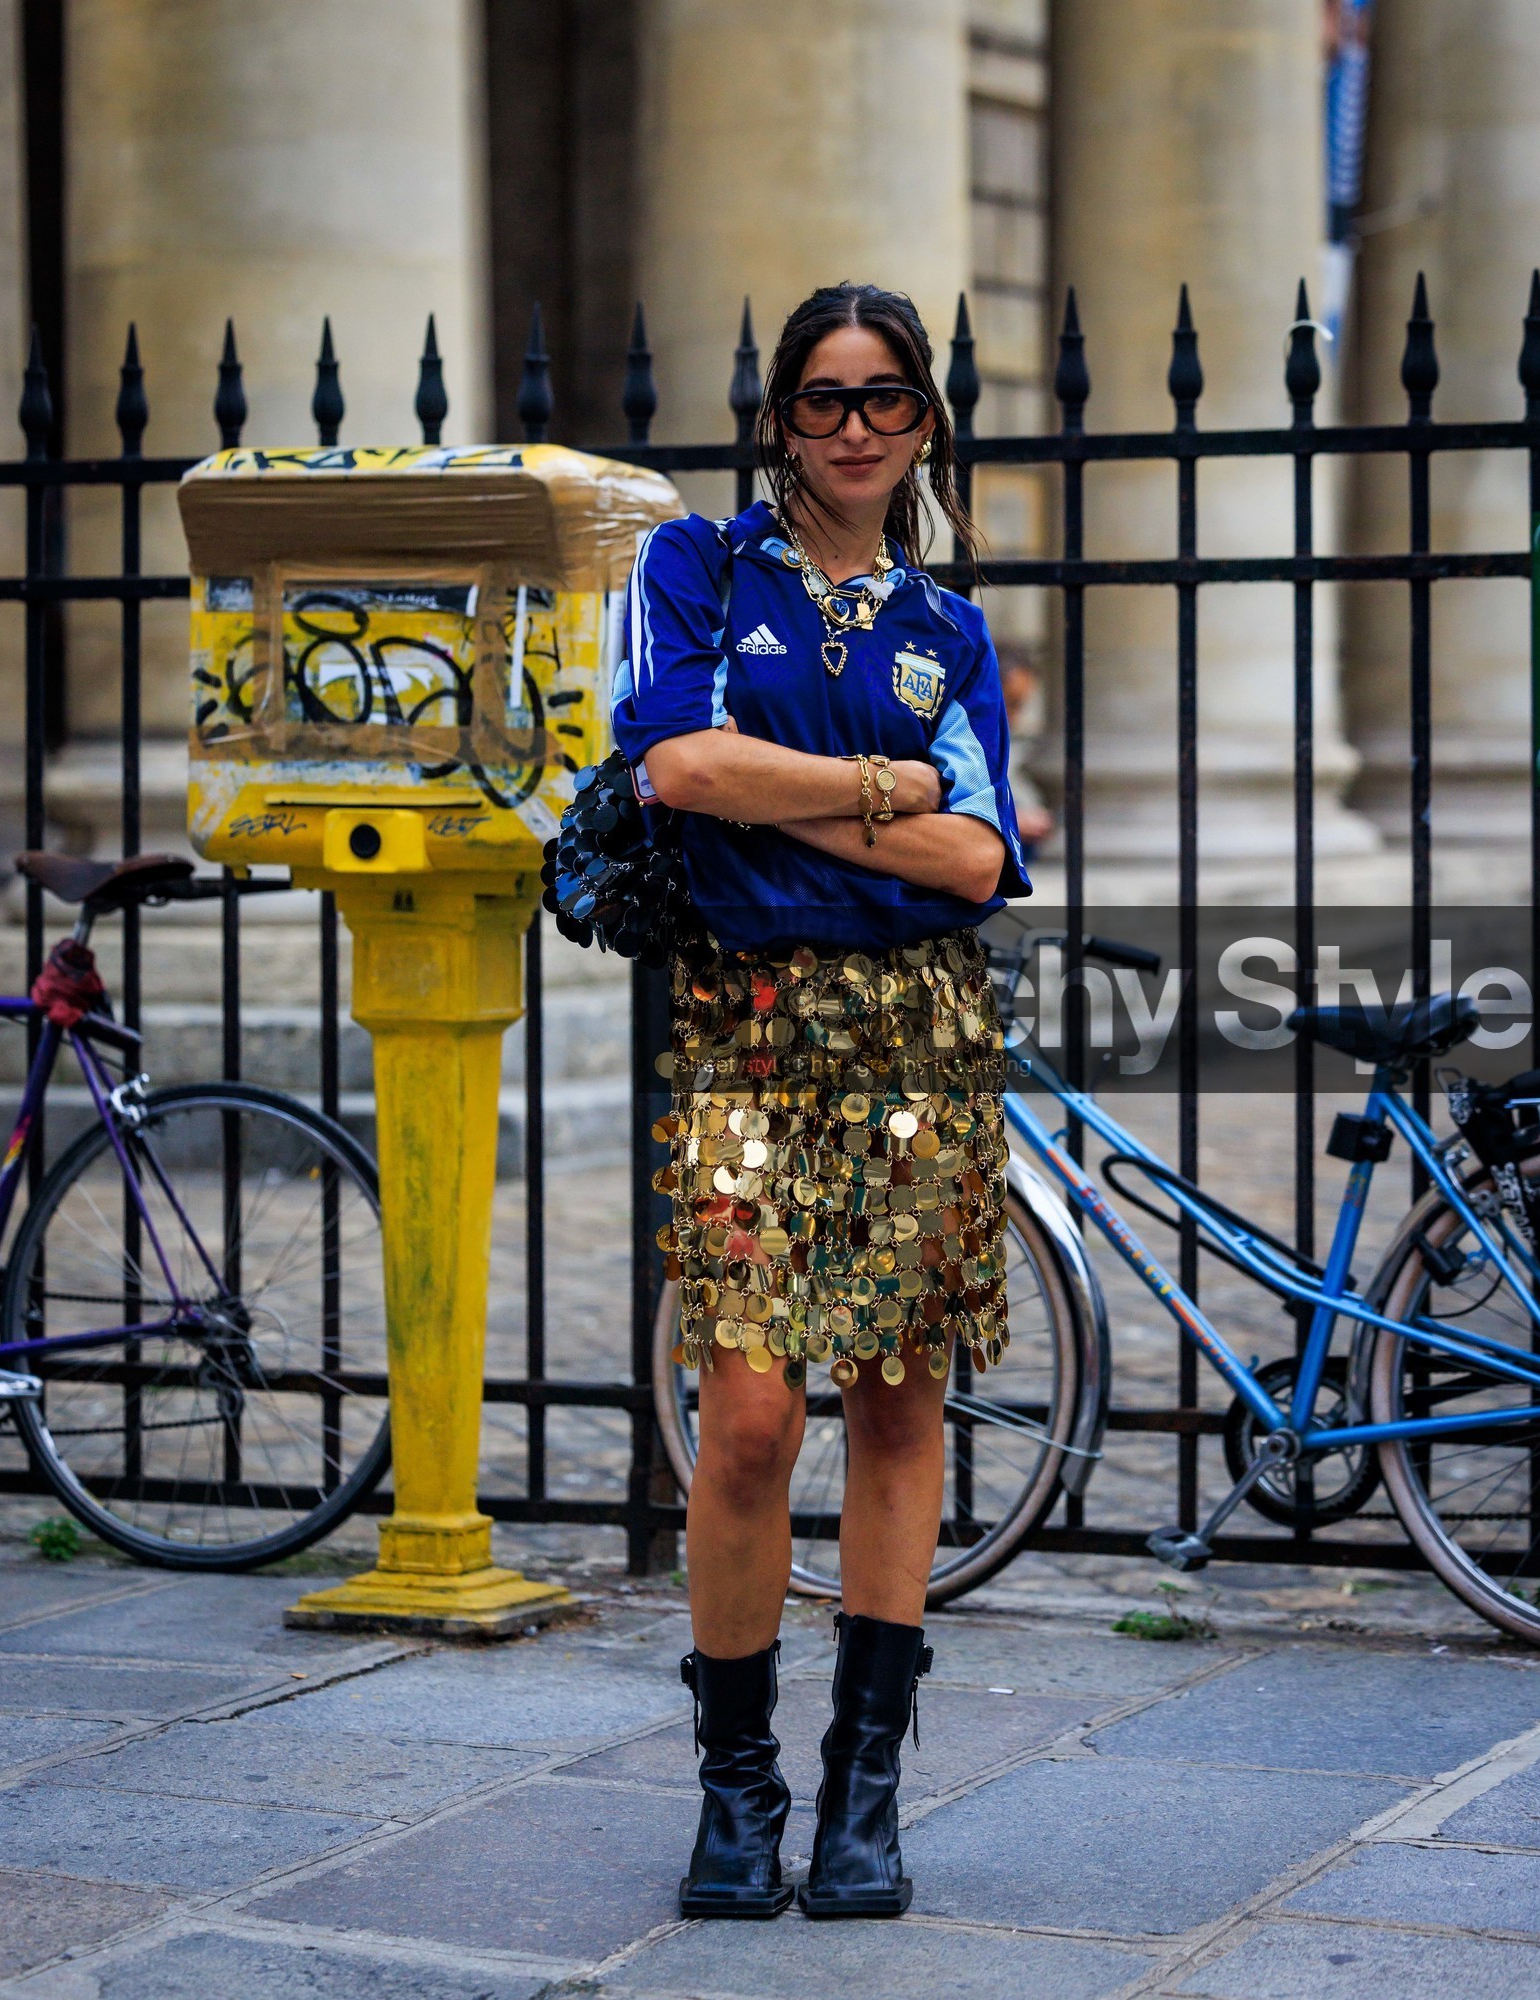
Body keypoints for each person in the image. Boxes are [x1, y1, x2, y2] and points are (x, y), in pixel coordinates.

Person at [611, 282, 1030, 1920]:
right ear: (778, 416)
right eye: (822, 398)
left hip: (922, 1033)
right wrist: (882, 790)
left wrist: (799, 804)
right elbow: (678, 766)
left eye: (885, 399)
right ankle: (736, 1789)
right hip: (746, 1026)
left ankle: (864, 1793)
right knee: (752, 1417)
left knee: (900, 1405)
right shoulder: (700, 570)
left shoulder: (949, 627)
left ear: (925, 421)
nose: (854, 427)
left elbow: (984, 861)